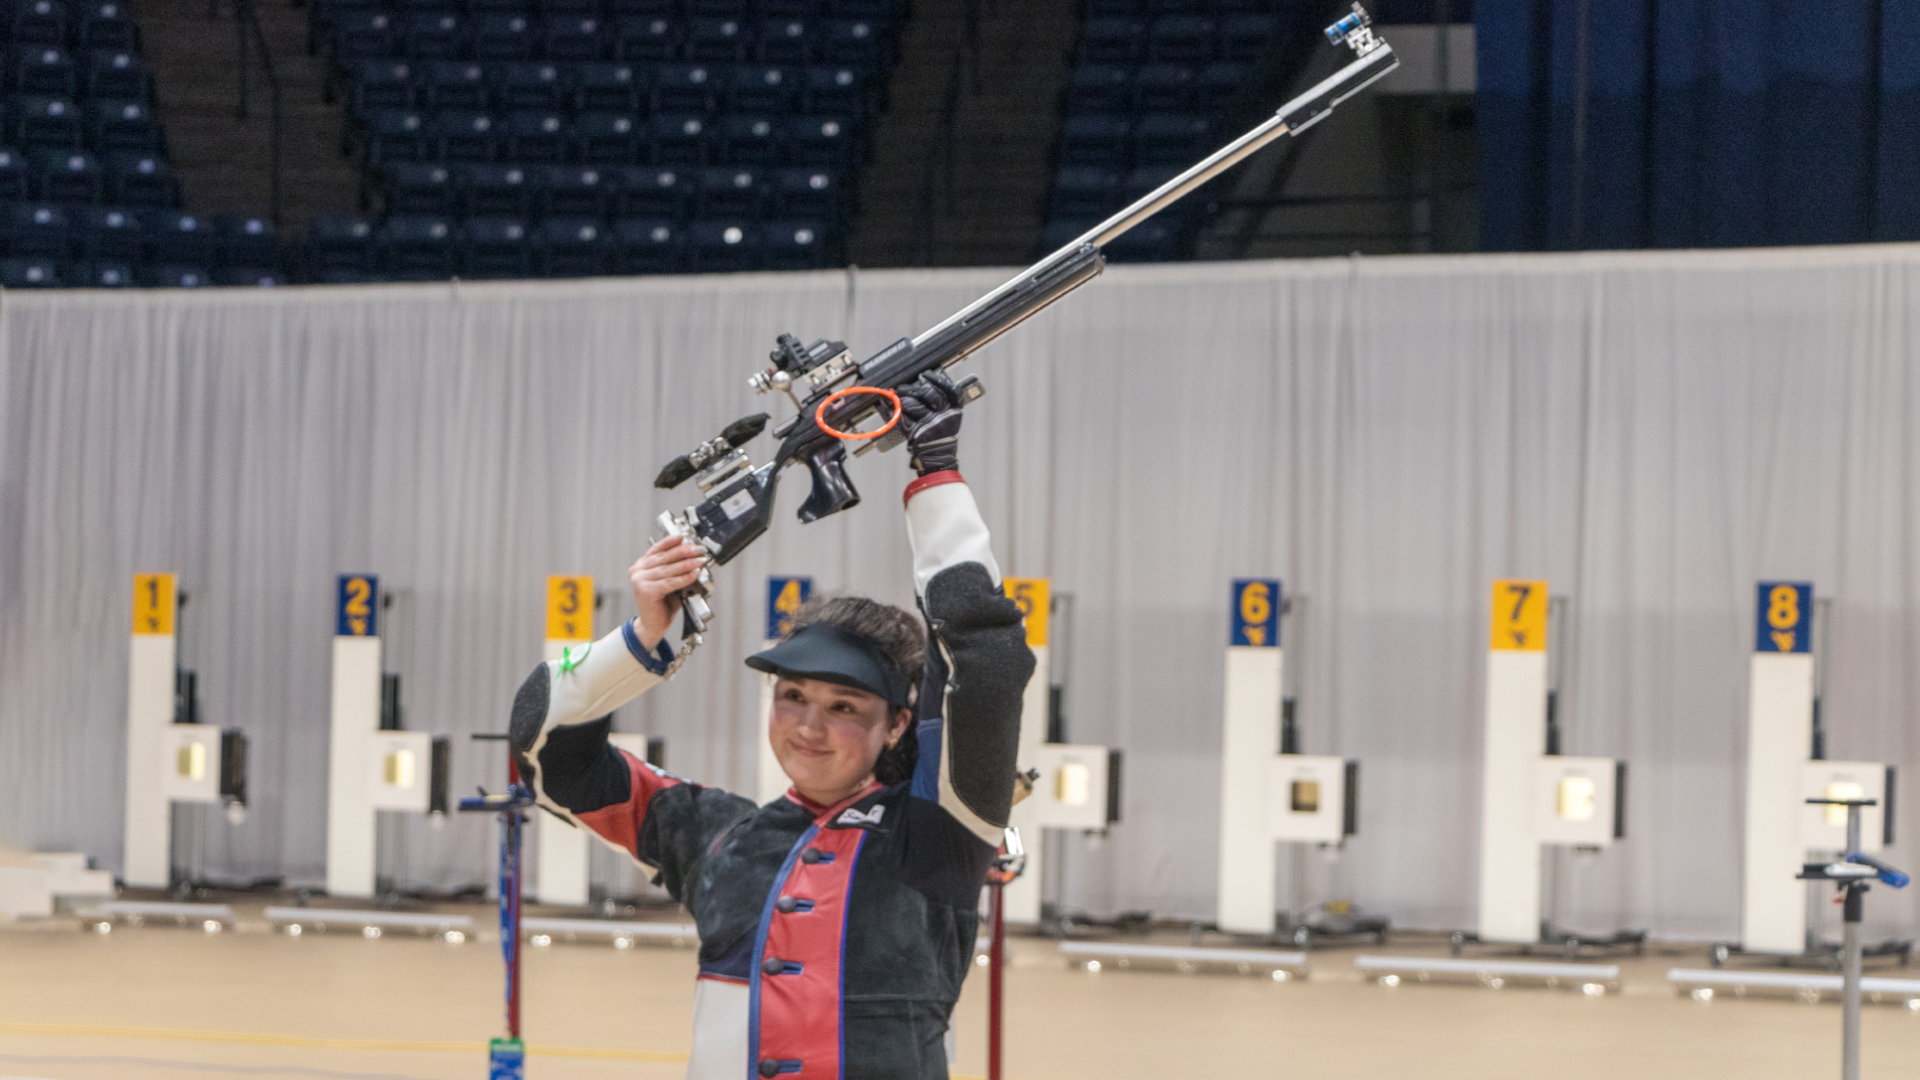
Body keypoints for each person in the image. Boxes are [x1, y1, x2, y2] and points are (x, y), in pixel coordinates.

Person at [508, 372, 1034, 1080]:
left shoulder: (939, 833)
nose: (808, 727)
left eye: (845, 707)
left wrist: (935, 478)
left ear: (898, 723)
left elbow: (986, 663)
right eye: (792, 696)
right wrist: (645, 639)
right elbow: (544, 748)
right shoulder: (714, 835)